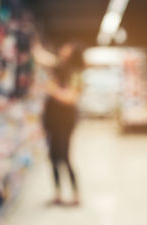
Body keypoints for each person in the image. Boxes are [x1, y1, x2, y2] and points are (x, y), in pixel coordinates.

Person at [42, 42, 84, 205]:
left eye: (68, 47)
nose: (63, 48)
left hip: (65, 121)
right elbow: (43, 57)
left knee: (65, 156)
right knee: (53, 156)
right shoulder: (59, 67)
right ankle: (58, 193)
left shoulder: (76, 74)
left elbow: (72, 97)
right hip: (53, 119)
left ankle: (75, 194)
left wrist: (52, 90)